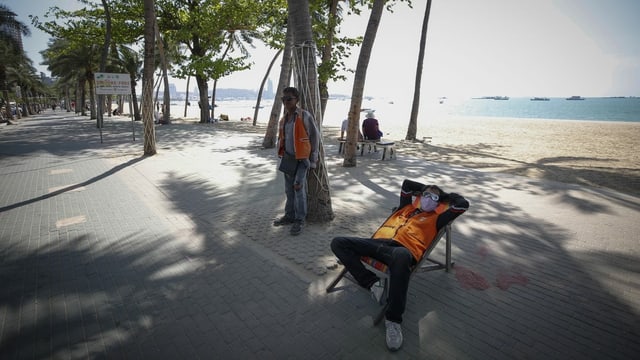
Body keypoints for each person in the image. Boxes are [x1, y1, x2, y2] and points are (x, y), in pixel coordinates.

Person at [330, 179, 469, 351]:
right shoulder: (406, 207)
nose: (427, 199)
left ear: (438, 203)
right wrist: (425, 189)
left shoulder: (437, 219)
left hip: (401, 252)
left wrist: (444, 197)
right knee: (337, 243)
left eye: (433, 198)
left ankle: (393, 321)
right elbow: (406, 184)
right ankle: (373, 283)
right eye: (425, 195)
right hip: (377, 244)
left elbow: (463, 204)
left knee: (402, 255)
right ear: (419, 196)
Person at [274, 87, 320, 236]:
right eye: (283, 99)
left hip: (302, 160)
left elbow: (314, 137)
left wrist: (313, 159)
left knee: (298, 187)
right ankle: (289, 216)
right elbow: (282, 138)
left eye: (289, 99)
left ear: (297, 100)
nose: (286, 102)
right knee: (288, 190)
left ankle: (300, 220)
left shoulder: (304, 116)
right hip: (288, 159)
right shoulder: (284, 119)